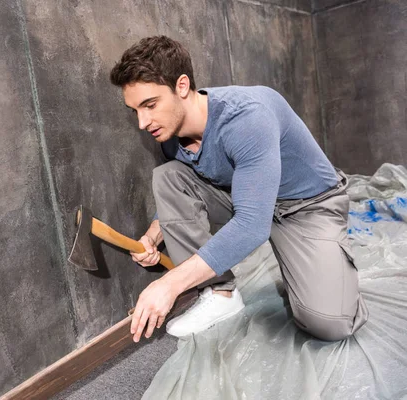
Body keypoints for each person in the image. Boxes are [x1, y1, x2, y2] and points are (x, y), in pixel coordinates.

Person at [109, 36, 368, 343]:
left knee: (329, 325)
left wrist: (170, 284)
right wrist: (154, 233)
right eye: (135, 110)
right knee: (168, 176)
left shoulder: (246, 118)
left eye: (150, 105)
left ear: (181, 86)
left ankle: (330, 268)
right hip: (244, 196)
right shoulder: (167, 134)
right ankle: (220, 294)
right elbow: (183, 188)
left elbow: (251, 225)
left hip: (306, 206)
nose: (143, 122)